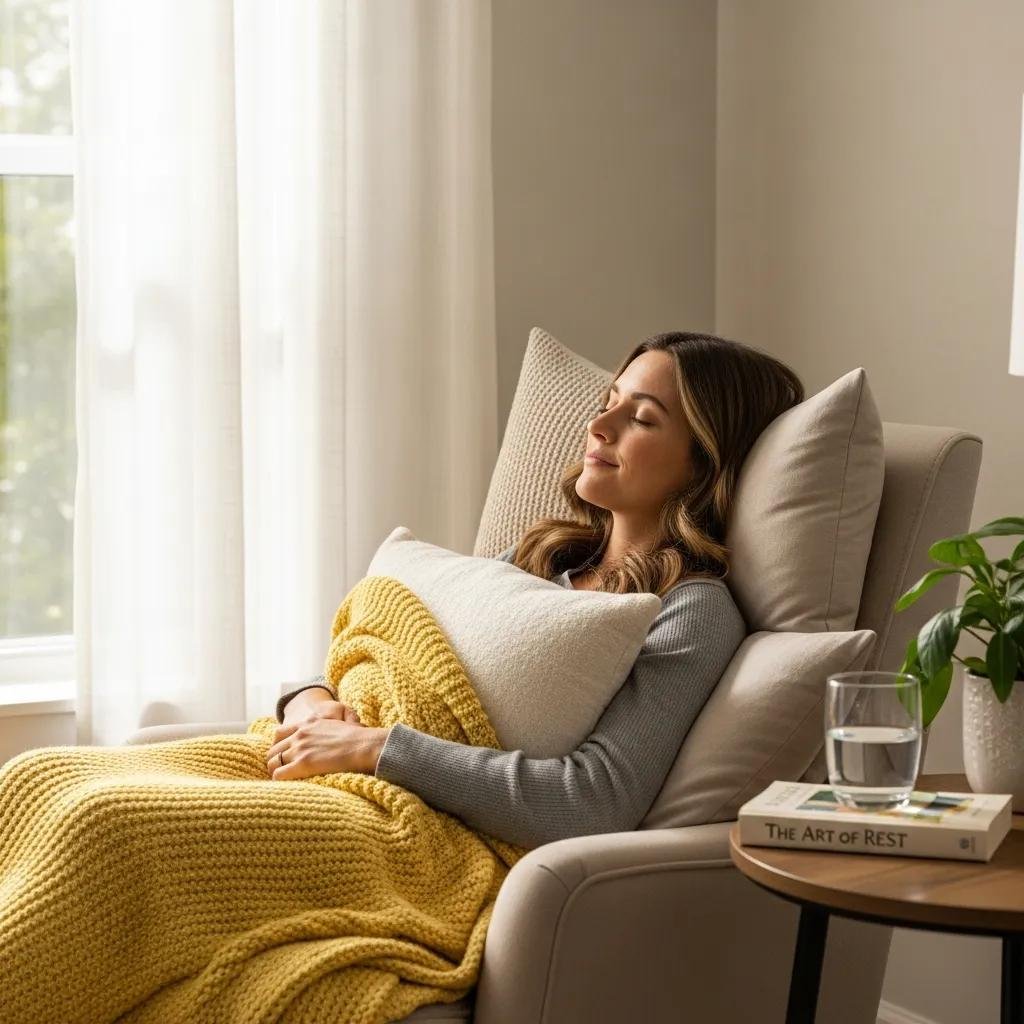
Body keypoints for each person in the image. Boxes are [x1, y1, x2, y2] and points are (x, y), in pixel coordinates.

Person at [268, 331, 805, 850]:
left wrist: (374, 748)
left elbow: (594, 799)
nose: (598, 426)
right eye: (608, 403)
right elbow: (405, 655)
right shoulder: (543, 556)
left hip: (417, 822)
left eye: (641, 418)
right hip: (329, 765)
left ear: (704, 464)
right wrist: (310, 704)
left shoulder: (692, 607)